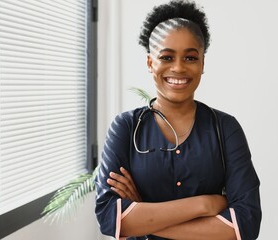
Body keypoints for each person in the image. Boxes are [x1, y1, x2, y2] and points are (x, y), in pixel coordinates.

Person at [94, 0, 262, 239]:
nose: (179, 68)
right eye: (167, 57)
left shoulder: (225, 128)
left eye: (190, 58)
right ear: (151, 63)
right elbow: (109, 218)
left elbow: (246, 225)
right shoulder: (126, 128)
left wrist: (142, 213)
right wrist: (204, 204)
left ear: (202, 63)